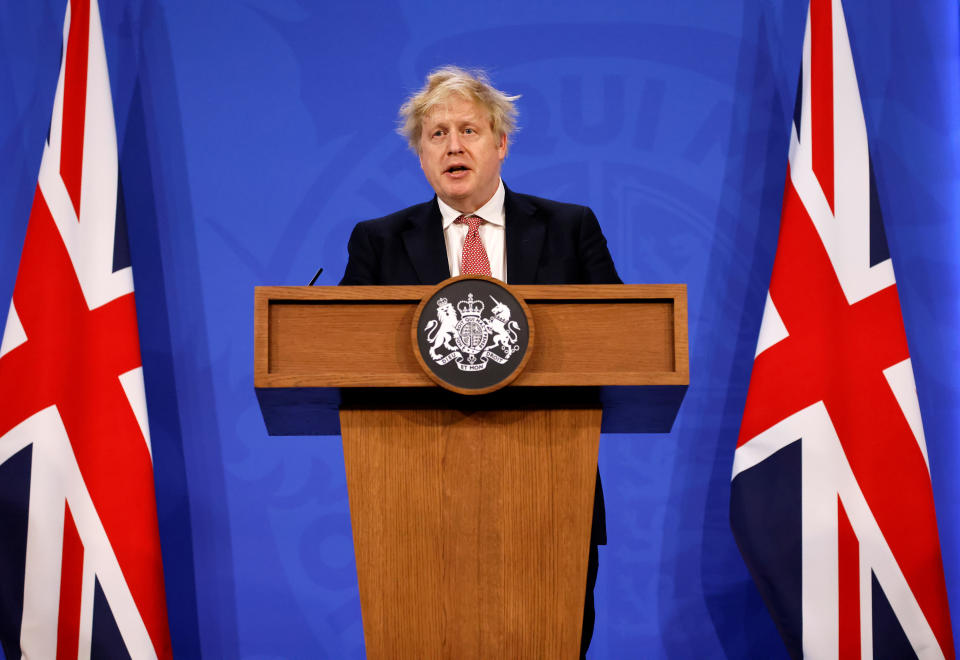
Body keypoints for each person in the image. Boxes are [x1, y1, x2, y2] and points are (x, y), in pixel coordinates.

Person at [340, 66, 620, 657]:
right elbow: (342, 349)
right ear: (420, 154)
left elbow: (620, 337)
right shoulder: (379, 241)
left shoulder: (570, 228)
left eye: (469, 129)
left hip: (550, 488)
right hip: (413, 496)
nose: (453, 145)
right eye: (436, 134)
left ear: (501, 144)